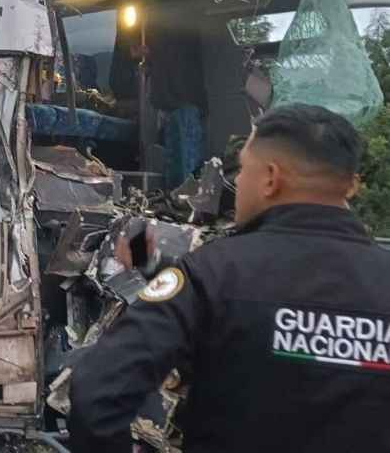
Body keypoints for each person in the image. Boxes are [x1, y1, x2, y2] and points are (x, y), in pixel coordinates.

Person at [68, 104, 390, 452]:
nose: (237, 181)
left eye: (243, 169)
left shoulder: (211, 274)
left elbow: (98, 395)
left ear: (271, 178)